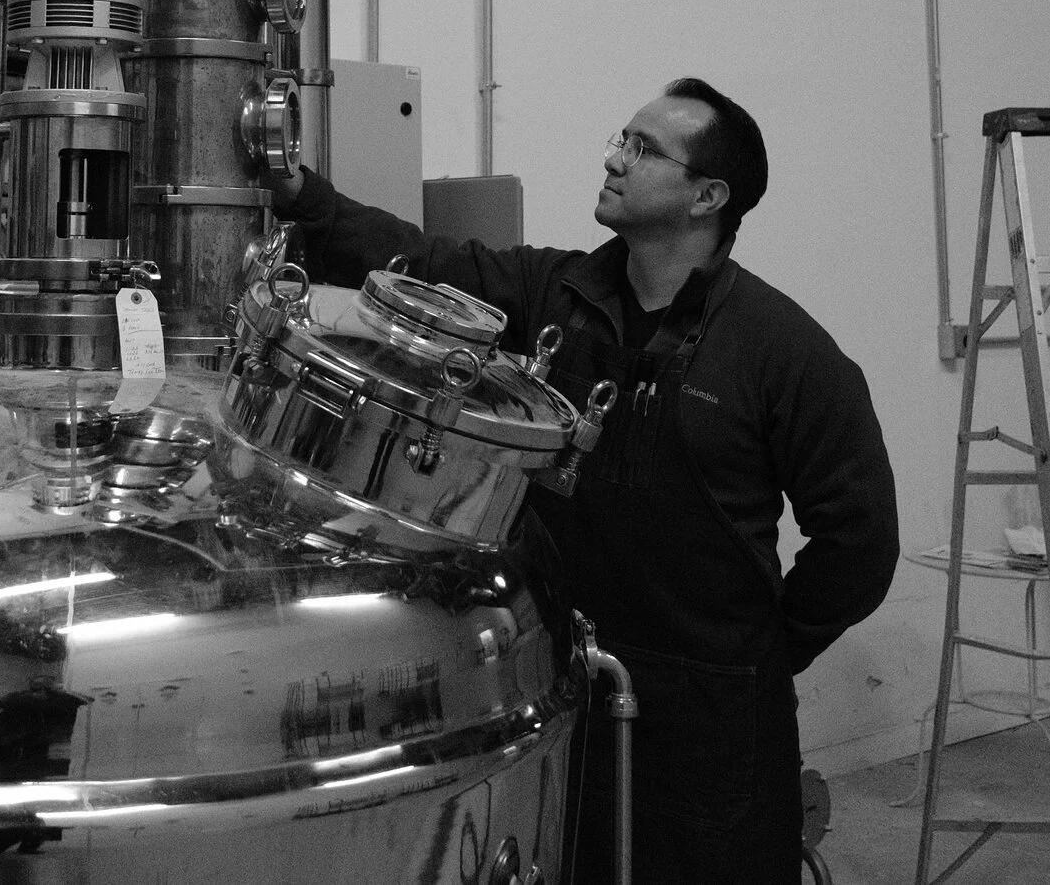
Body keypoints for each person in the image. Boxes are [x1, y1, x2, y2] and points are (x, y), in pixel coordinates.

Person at [270, 78, 899, 885]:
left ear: (708, 195)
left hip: (713, 729)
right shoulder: (557, 296)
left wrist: (759, 657)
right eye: (621, 138)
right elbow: (425, 264)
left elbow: (861, 539)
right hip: (571, 682)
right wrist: (301, 193)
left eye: (643, 148)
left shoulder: (782, 351)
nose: (614, 157)